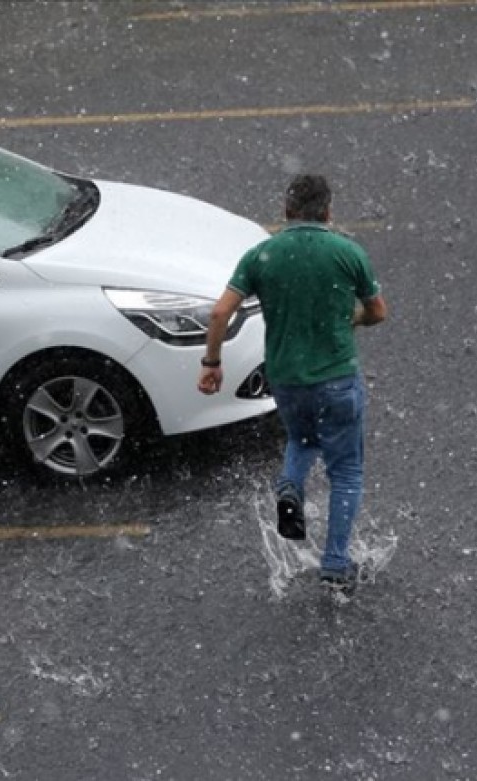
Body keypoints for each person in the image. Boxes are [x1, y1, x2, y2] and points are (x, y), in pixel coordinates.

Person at [198, 174, 387, 590]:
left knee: (301, 441)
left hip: (285, 379)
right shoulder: (348, 253)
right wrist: (349, 318)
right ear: (328, 212)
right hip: (336, 379)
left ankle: (290, 485)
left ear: (286, 212)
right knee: (347, 471)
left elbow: (218, 313)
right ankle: (335, 565)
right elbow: (377, 311)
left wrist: (211, 362)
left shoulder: (262, 254)